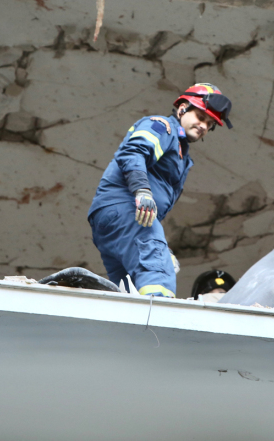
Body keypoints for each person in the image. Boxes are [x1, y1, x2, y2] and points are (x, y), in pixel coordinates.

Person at [88, 84, 233, 297]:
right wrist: (142, 191)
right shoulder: (162, 127)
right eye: (201, 117)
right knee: (158, 277)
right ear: (182, 108)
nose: (203, 126)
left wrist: (163, 248)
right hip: (126, 209)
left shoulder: (181, 151)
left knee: (128, 291)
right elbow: (133, 153)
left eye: (209, 124)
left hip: (116, 220)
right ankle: (157, 324)